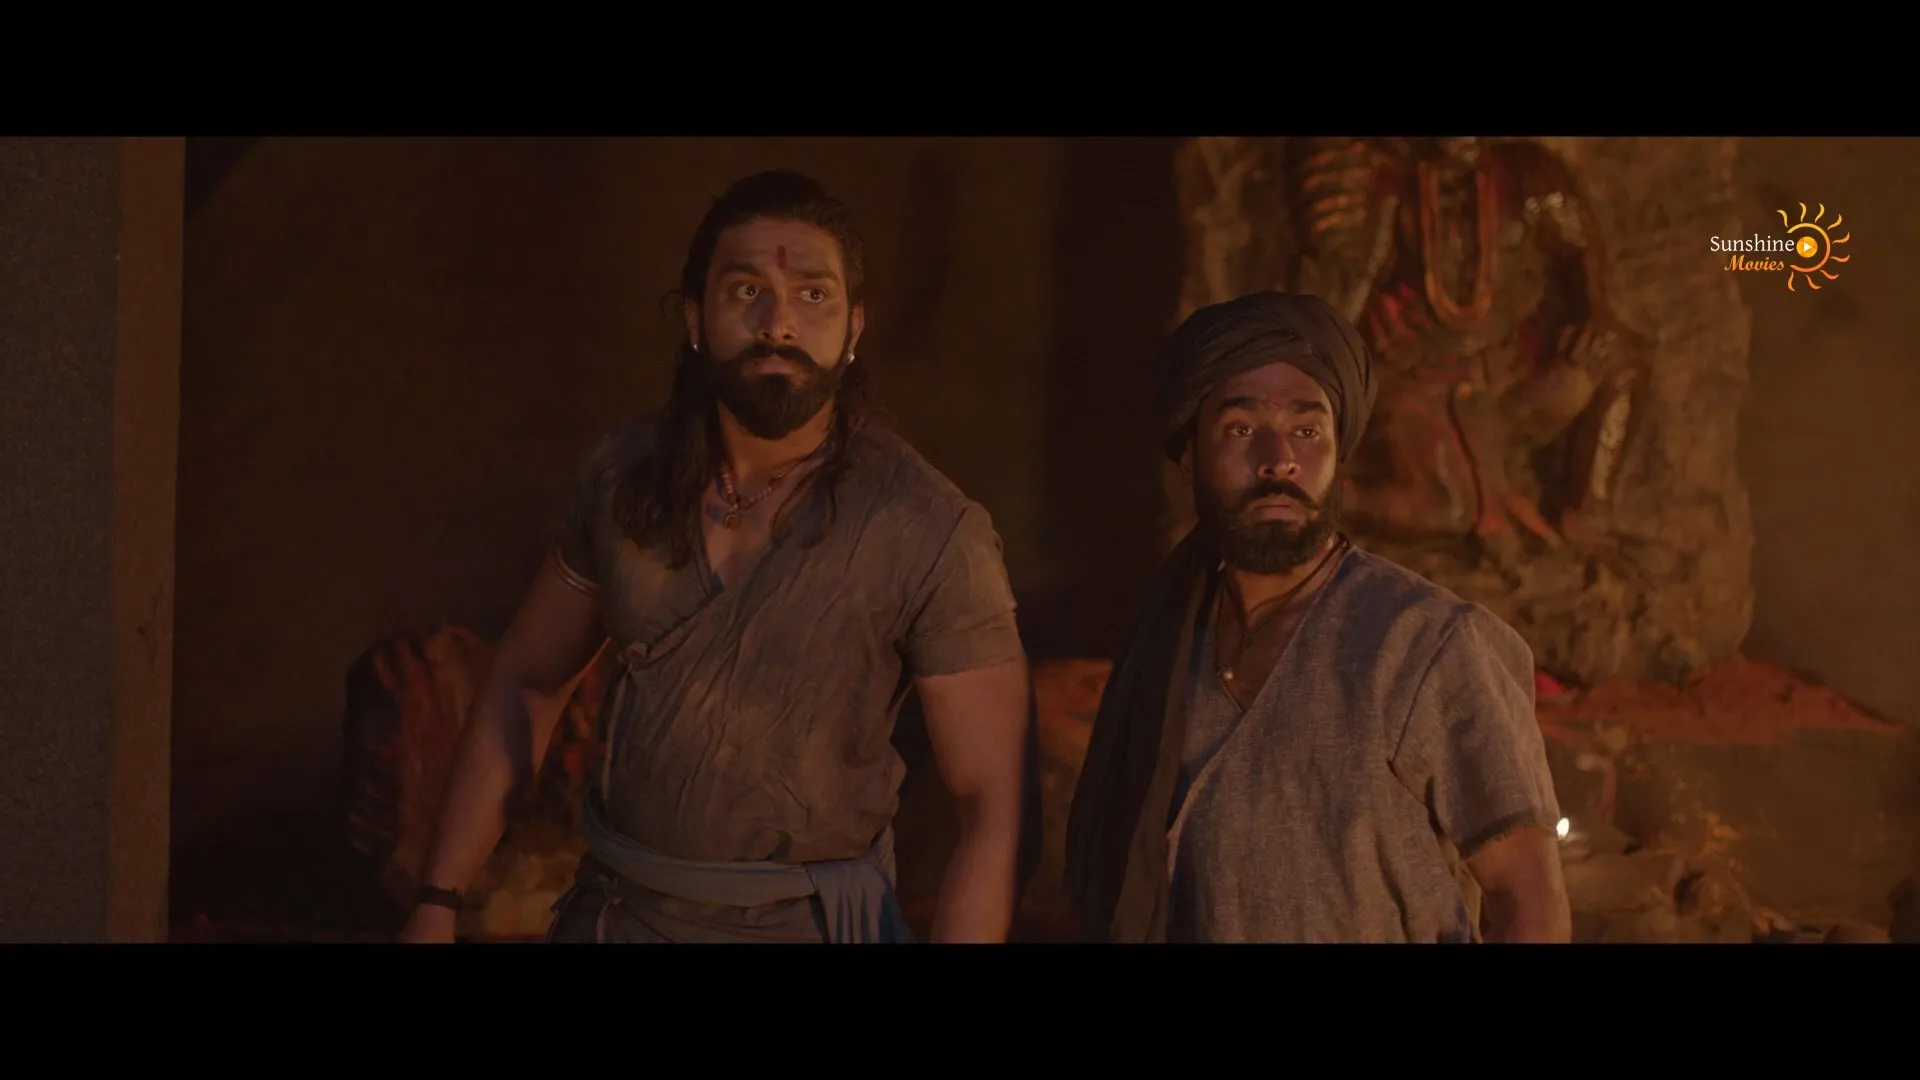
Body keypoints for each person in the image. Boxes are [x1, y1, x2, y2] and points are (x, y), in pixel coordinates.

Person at [398, 170, 1032, 944]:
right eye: (746, 291)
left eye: (812, 294)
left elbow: (990, 810)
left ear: (854, 328)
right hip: (621, 916)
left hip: (808, 927)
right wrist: (437, 900)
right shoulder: (625, 478)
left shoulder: (928, 527)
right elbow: (527, 681)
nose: (779, 322)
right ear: (697, 319)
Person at [1063, 290, 1571, 943]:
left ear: (1339, 450)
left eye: (1307, 431)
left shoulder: (1427, 645)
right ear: (1190, 456)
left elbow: (1530, 903)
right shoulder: (1168, 649)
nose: (1278, 458)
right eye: (1241, 429)